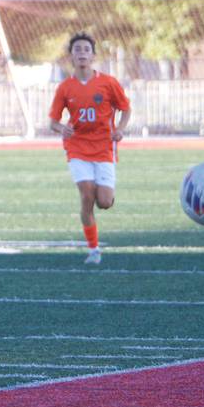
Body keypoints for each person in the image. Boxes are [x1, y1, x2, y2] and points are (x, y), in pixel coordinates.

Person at [49, 32, 131, 265]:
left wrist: (121, 129)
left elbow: (125, 108)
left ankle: (106, 196)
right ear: (71, 57)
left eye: (86, 49)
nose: (82, 53)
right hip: (77, 148)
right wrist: (60, 129)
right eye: (77, 49)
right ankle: (94, 250)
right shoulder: (65, 88)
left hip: (104, 147)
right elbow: (53, 121)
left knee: (103, 202)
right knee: (86, 195)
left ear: (93, 56)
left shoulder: (108, 83)